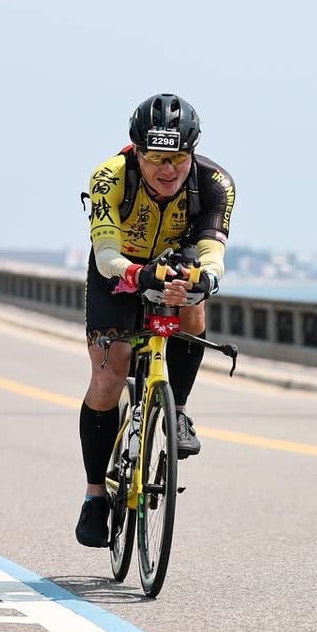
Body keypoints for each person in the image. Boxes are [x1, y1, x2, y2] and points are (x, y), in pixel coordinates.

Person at [74, 93, 235, 549]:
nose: (168, 170)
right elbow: (105, 253)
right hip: (119, 269)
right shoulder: (110, 176)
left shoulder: (215, 182)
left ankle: (177, 411)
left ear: (193, 152)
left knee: (193, 304)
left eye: (178, 158)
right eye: (156, 159)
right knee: (109, 377)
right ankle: (94, 496)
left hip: (175, 262)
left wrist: (207, 278)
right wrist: (133, 272)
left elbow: (213, 252)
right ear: (136, 153)